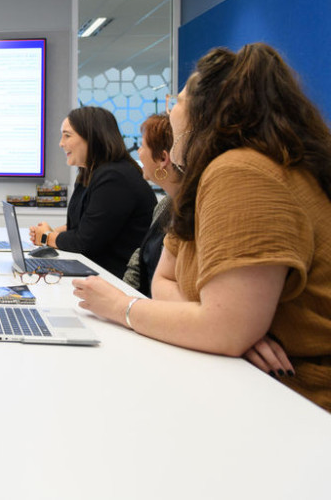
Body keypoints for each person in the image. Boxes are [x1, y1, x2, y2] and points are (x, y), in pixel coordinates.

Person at [73, 43, 331, 412]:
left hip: (296, 402)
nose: (170, 111)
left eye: (176, 102)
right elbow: (164, 282)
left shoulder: (241, 173)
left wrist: (121, 307)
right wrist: (228, 326)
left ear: (205, 112)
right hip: (248, 381)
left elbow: (225, 328)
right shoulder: (209, 179)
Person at [29, 107, 156, 278]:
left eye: (67, 135)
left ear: (91, 138)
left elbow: (84, 242)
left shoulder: (114, 177)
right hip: (97, 273)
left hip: (117, 280)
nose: (61, 143)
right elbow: (84, 225)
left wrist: (46, 237)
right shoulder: (91, 173)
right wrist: (52, 234)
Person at [122, 113, 180, 296]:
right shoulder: (165, 205)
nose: (138, 153)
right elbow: (140, 259)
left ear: (163, 159)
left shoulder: (192, 211)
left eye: (142, 146)